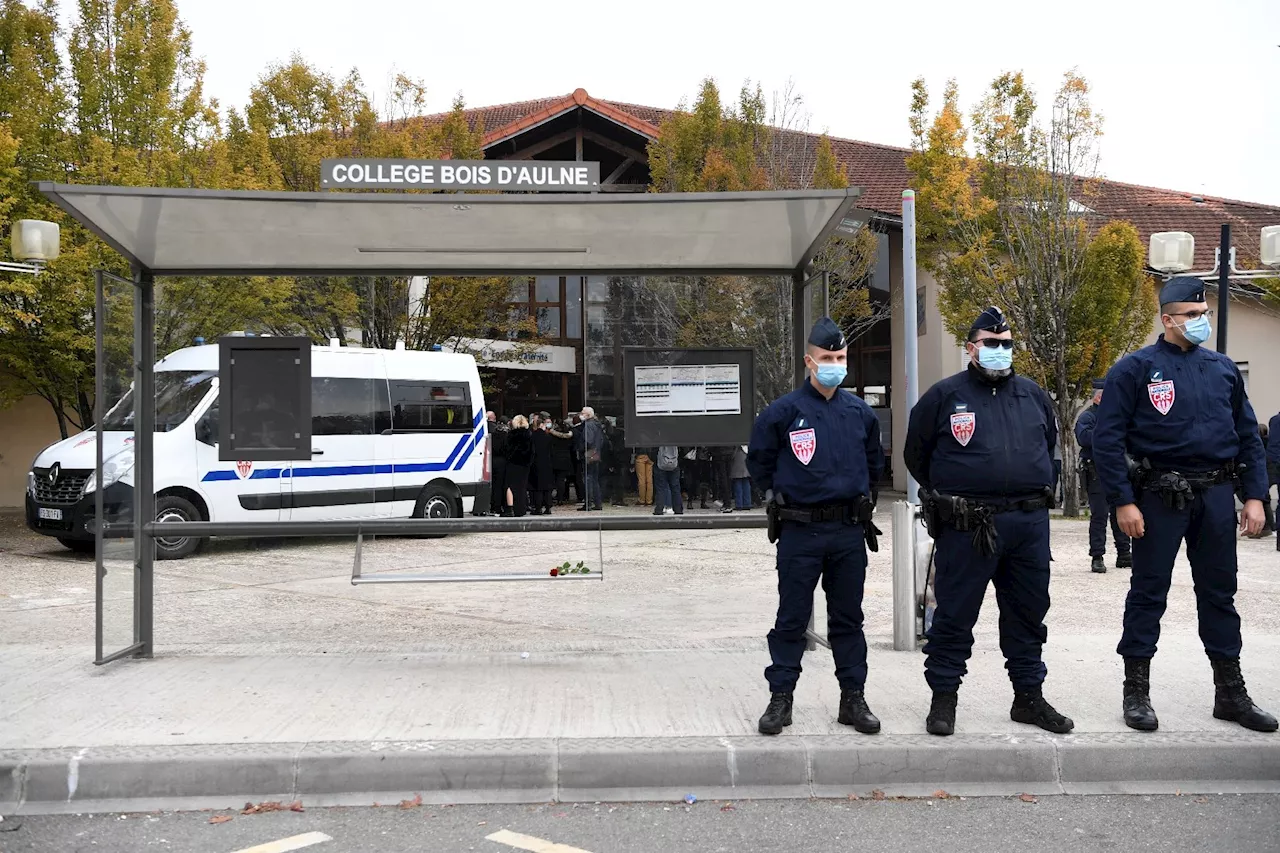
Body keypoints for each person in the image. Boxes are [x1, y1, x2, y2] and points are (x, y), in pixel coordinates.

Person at [1092, 277, 1275, 733]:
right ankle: (1136, 692)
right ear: (1167, 319)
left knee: (1220, 594)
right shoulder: (1135, 369)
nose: (1201, 321)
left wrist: (1254, 495)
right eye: (1192, 315)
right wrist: (1123, 502)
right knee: (1148, 593)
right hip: (1158, 496)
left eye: (1204, 313)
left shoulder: (1223, 369)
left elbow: (1248, 436)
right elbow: (1107, 440)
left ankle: (1230, 694)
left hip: (1214, 495)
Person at [904, 305, 1073, 737]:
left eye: (1006, 344)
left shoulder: (1033, 394)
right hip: (968, 526)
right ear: (971, 348)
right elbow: (916, 456)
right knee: (954, 616)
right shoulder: (944, 396)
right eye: (991, 344)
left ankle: (1028, 698)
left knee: (1028, 615)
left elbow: (1048, 444)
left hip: (1027, 523)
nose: (1000, 350)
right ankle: (944, 699)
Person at [748, 316, 884, 737]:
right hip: (799, 532)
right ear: (810, 361)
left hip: (847, 531)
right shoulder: (784, 412)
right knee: (791, 619)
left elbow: (874, 467)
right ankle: (781, 699)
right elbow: (760, 463)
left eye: (840, 357)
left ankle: (853, 699)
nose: (835, 364)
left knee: (848, 620)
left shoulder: (860, 413)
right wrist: (781, 499)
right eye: (827, 357)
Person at [1074, 378, 1132, 573]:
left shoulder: (1116, 416)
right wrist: (1107, 435)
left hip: (1116, 470)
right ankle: (1097, 556)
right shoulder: (1088, 417)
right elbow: (1084, 438)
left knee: (1121, 511)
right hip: (1096, 471)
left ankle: (1124, 553)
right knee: (1099, 515)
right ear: (1099, 397)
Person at [501, 415, 534, 517]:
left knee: (510, 486)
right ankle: (521, 509)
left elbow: (505, 450)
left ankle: (510, 509)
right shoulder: (529, 435)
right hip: (524, 466)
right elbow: (532, 452)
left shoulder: (511, 435)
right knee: (522, 487)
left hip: (512, 464)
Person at [576, 407, 605, 511]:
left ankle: (588, 503)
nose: (581, 414)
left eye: (582, 413)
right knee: (594, 479)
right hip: (596, 452)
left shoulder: (588, 425)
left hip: (589, 452)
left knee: (588, 479)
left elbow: (588, 440)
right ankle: (598, 503)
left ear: (587, 415)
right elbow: (601, 440)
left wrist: (581, 449)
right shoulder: (597, 425)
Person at [529, 416, 555, 515]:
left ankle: (538, 508)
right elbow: (551, 451)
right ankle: (548, 507)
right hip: (547, 463)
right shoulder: (548, 437)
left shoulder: (533, 436)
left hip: (536, 463)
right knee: (547, 487)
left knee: (537, 488)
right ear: (542, 424)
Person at [549, 419, 576, 505]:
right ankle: (560, 498)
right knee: (561, 480)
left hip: (555, 459)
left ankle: (550, 498)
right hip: (565, 459)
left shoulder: (552, 435)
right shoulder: (569, 436)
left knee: (552, 480)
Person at [653, 444, 683, 515]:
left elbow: (653, 450)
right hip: (674, 463)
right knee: (675, 488)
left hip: (660, 464)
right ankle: (678, 509)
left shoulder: (659, 436)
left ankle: (659, 509)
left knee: (661, 488)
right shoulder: (676, 437)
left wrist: (655, 459)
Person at [488, 414, 510, 516]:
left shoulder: (493, 433)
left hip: (492, 461)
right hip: (503, 462)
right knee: (501, 485)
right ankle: (500, 506)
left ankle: (493, 506)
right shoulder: (506, 434)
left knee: (494, 485)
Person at [1263, 414, 1278, 543]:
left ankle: (1269, 526)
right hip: (1273, 461)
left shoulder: (1274, 419)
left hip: (1271, 462)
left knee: (1262, 495)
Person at [730, 444, 751, 510]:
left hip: (738, 458)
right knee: (745, 481)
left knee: (738, 482)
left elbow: (732, 455)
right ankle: (747, 503)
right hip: (745, 457)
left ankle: (739, 504)